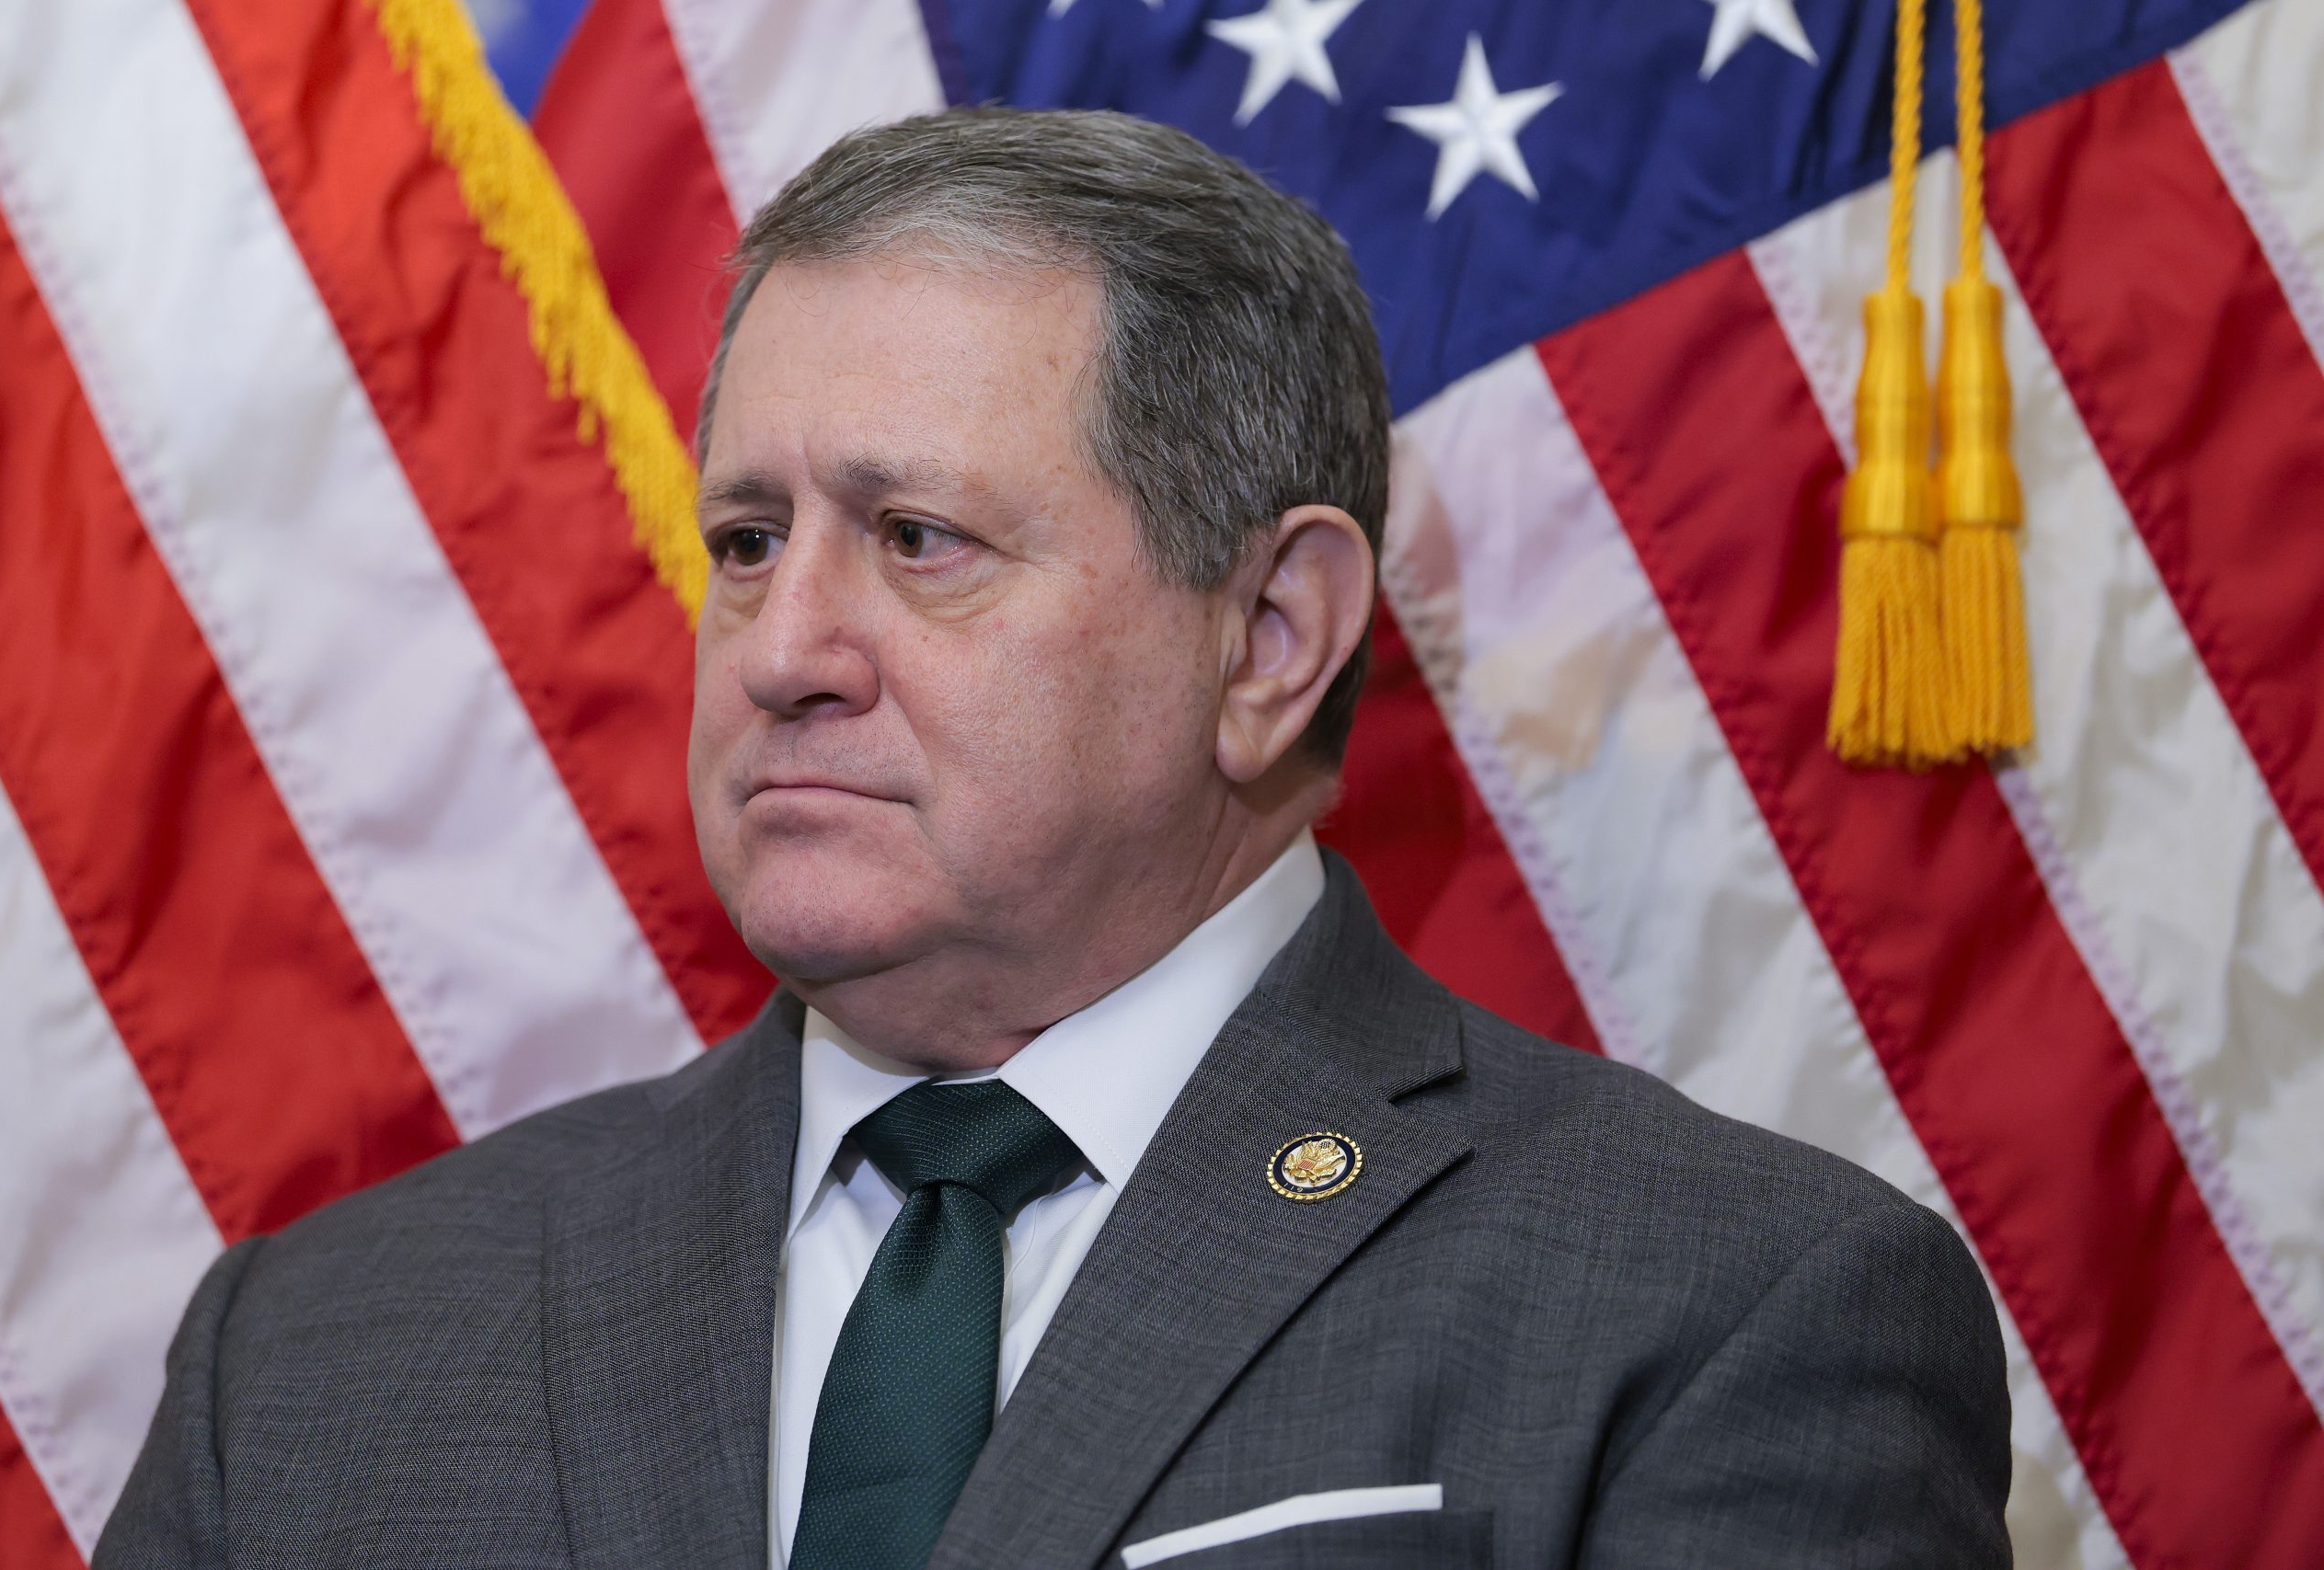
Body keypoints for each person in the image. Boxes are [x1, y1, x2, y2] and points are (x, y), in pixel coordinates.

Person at [97, 108, 2010, 1569]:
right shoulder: (316, 1350)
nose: (780, 649)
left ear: (1269, 640)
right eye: (748, 541)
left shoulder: (1718, 1310)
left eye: (918, 540)